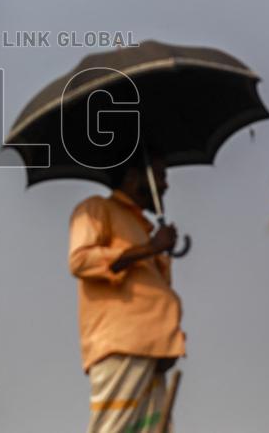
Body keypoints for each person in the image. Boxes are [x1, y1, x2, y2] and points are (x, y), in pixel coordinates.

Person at [69, 155, 186, 433]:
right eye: (160, 176)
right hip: (120, 346)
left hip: (152, 350)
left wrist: (157, 248)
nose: (166, 185)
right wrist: (150, 248)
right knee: (114, 428)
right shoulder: (96, 209)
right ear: (133, 177)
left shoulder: (142, 228)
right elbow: (81, 260)